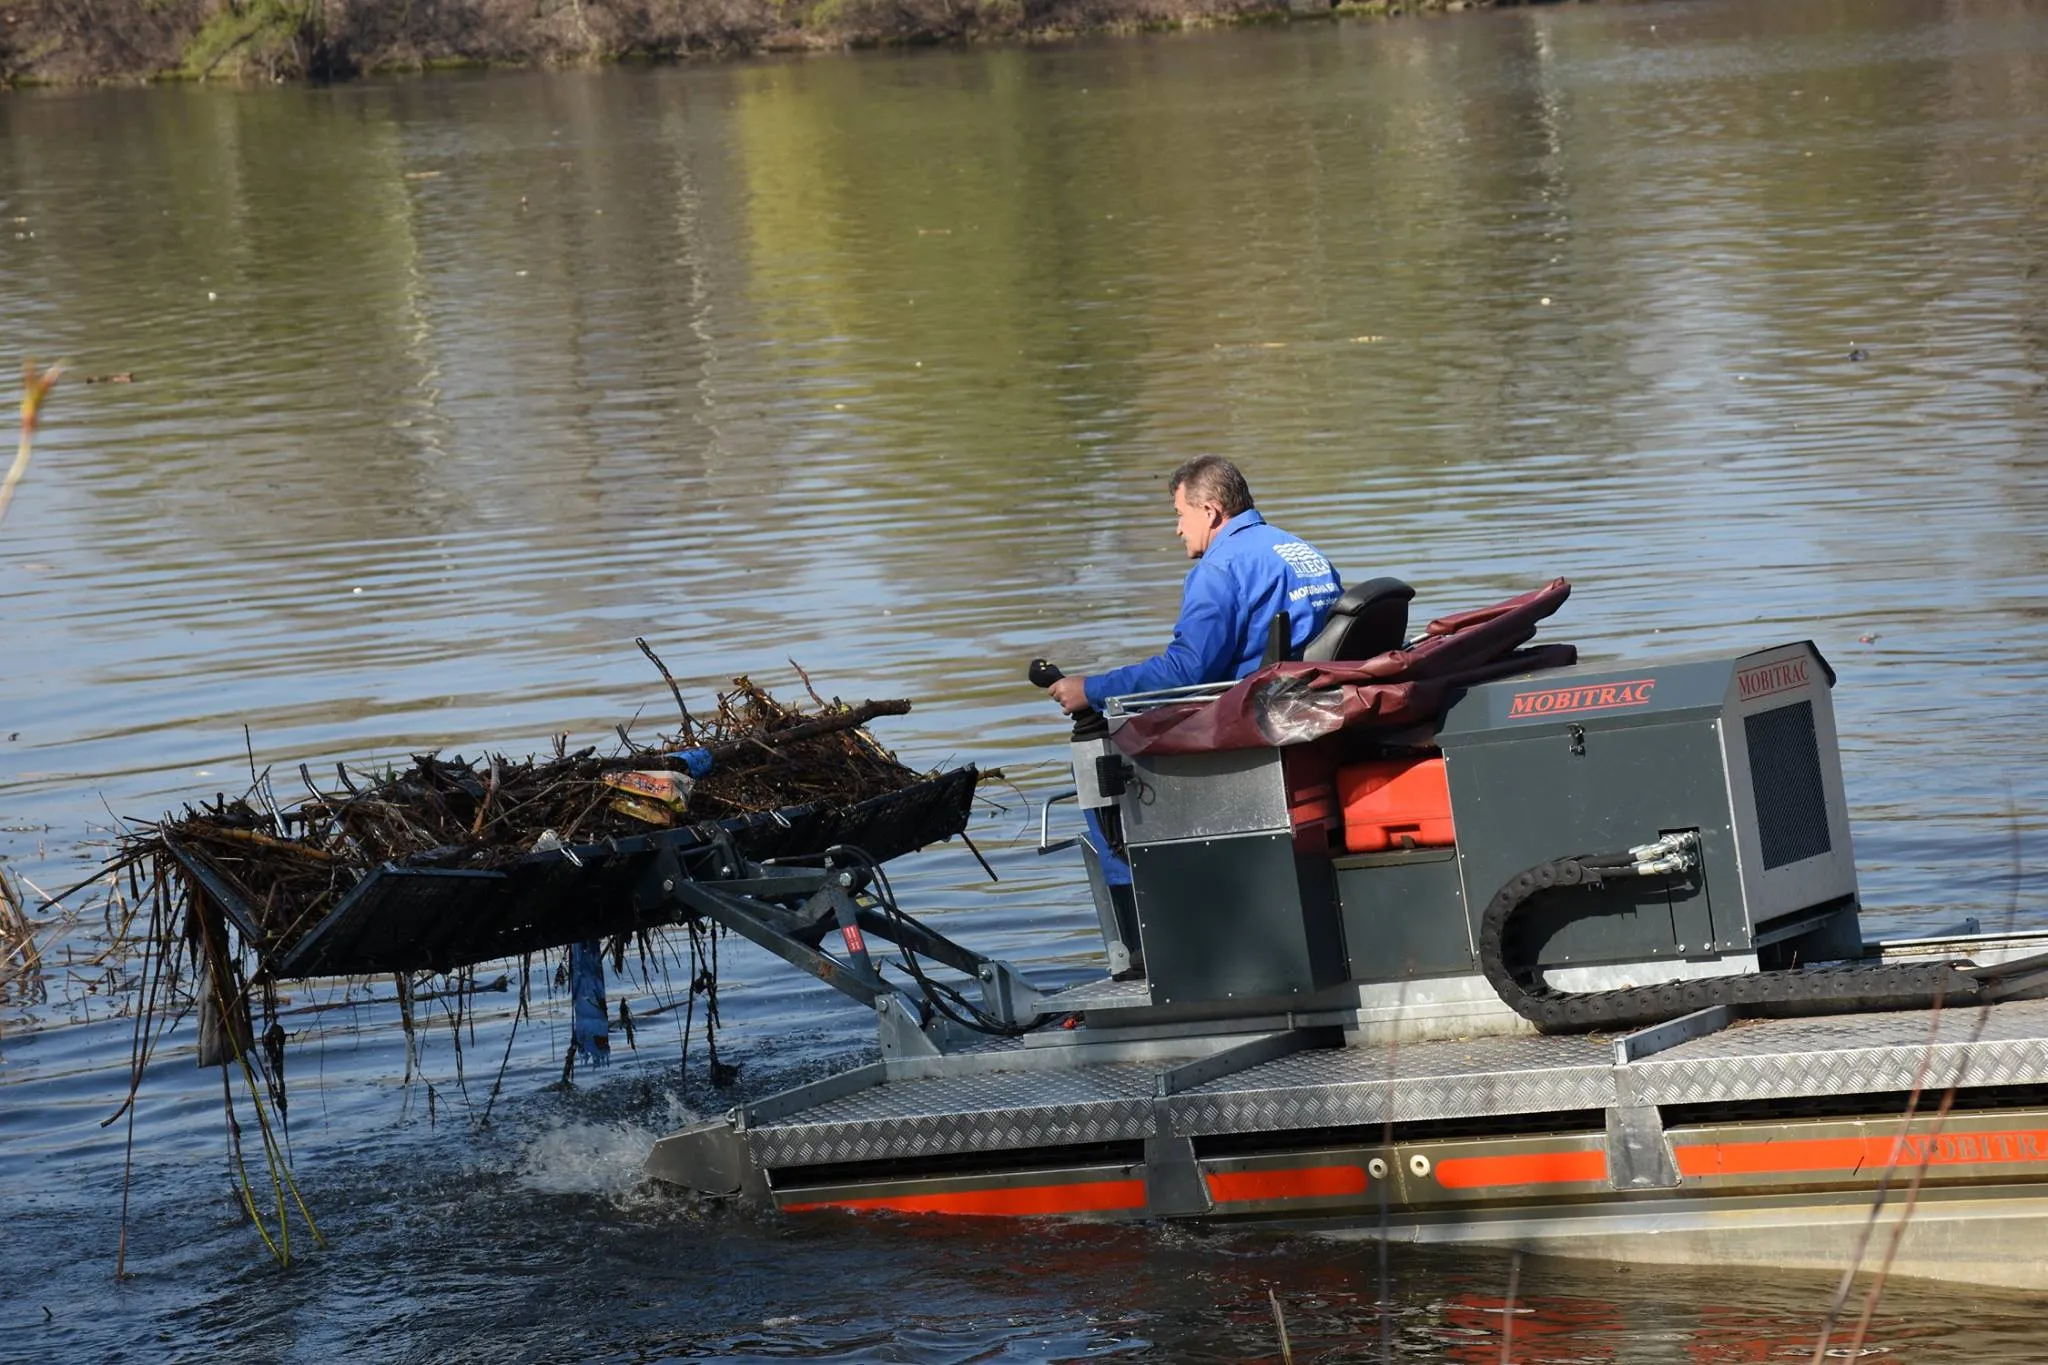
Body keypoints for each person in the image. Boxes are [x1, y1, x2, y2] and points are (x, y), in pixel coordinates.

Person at [1046, 456, 1343, 715]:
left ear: (1209, 512)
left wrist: (1091, 690)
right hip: (1322, 704)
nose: (1178, 529)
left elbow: (1187, 671)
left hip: (1264, 719)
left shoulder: (1218, 569)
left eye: (1180, 515)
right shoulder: (1303, 550)